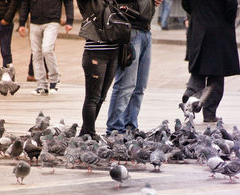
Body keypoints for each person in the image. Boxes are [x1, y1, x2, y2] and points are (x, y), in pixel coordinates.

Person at [106, 0, 163, 135]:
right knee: (126, 85)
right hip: (131, 29)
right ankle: (115, 128)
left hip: (146, 31)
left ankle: (130, 125)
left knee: (139, 86)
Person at [181, 0, 240, 123]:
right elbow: (231, 7)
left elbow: (186, 4)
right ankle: (209, 113)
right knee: (216, 76)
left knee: (198, 70)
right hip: (218, 32)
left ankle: (191, 93)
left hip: (198, 28)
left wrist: (198, 14)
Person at [76, 0, 121, 140]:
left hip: (113, 52)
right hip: (95, 53)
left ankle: (85, 131)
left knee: (101, 97)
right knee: (92, 98)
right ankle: (90, 132)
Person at [18, 0, 74, 95]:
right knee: (36, 53)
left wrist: (70, 21)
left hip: (52, 20)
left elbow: (68, 2)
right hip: (35, 21)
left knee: (47, 49)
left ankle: (54, 80)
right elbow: (25, 3)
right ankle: (41, 85)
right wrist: (22, 23)